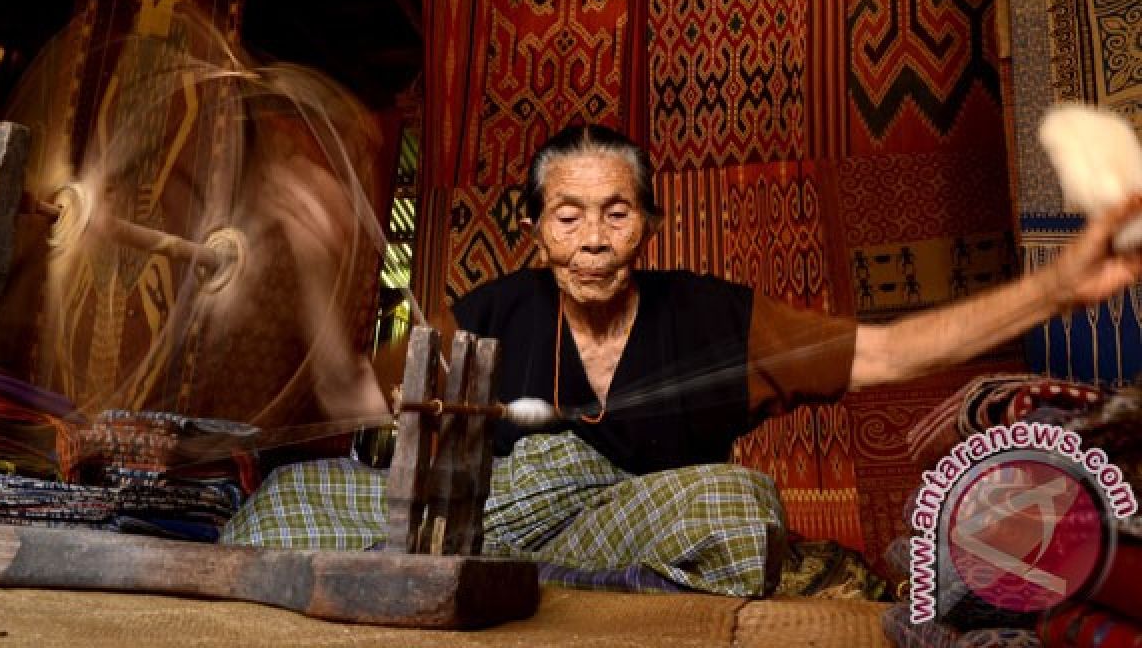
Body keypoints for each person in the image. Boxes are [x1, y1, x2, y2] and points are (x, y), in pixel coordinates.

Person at [222, 124, 1142, 596]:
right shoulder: (490, 314)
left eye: (615, 213)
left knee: (733, 504)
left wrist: (1054, 289)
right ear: (539, 231)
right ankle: (479, 576)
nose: (592, 241)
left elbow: (892, 351)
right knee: (286, 501)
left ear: (648, 225)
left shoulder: (714, 318)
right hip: (478, 532)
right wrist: (307, 269)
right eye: (567, 216)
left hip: (626, 532)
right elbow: (353, 400)